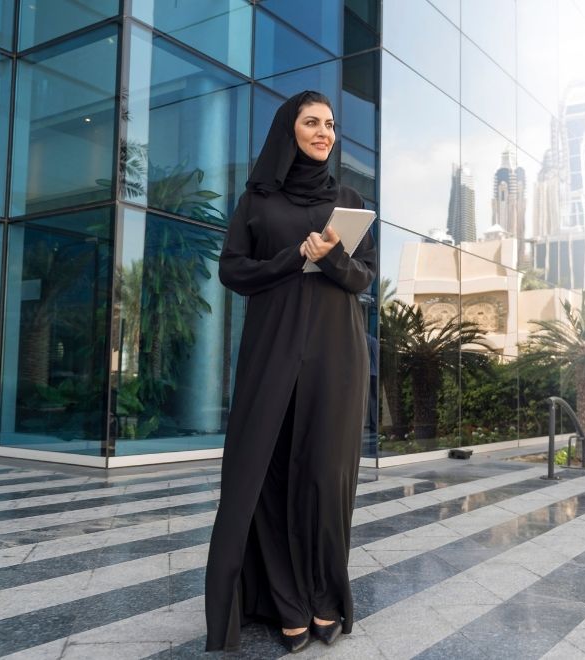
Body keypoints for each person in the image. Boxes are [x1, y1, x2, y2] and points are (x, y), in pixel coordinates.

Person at [204, 90, 376, 654]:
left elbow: (362, 280)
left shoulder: (348, 200)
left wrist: (330, 257)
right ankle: (287, 604)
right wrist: (292, 259)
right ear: (289, 130)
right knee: (268, 477)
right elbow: (233, 270)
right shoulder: (259, 199)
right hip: (271, 350)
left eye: (329, 124)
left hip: (337, 354)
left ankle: (326, 597)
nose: (323, 132)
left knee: (327, 480)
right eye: (311, 122)